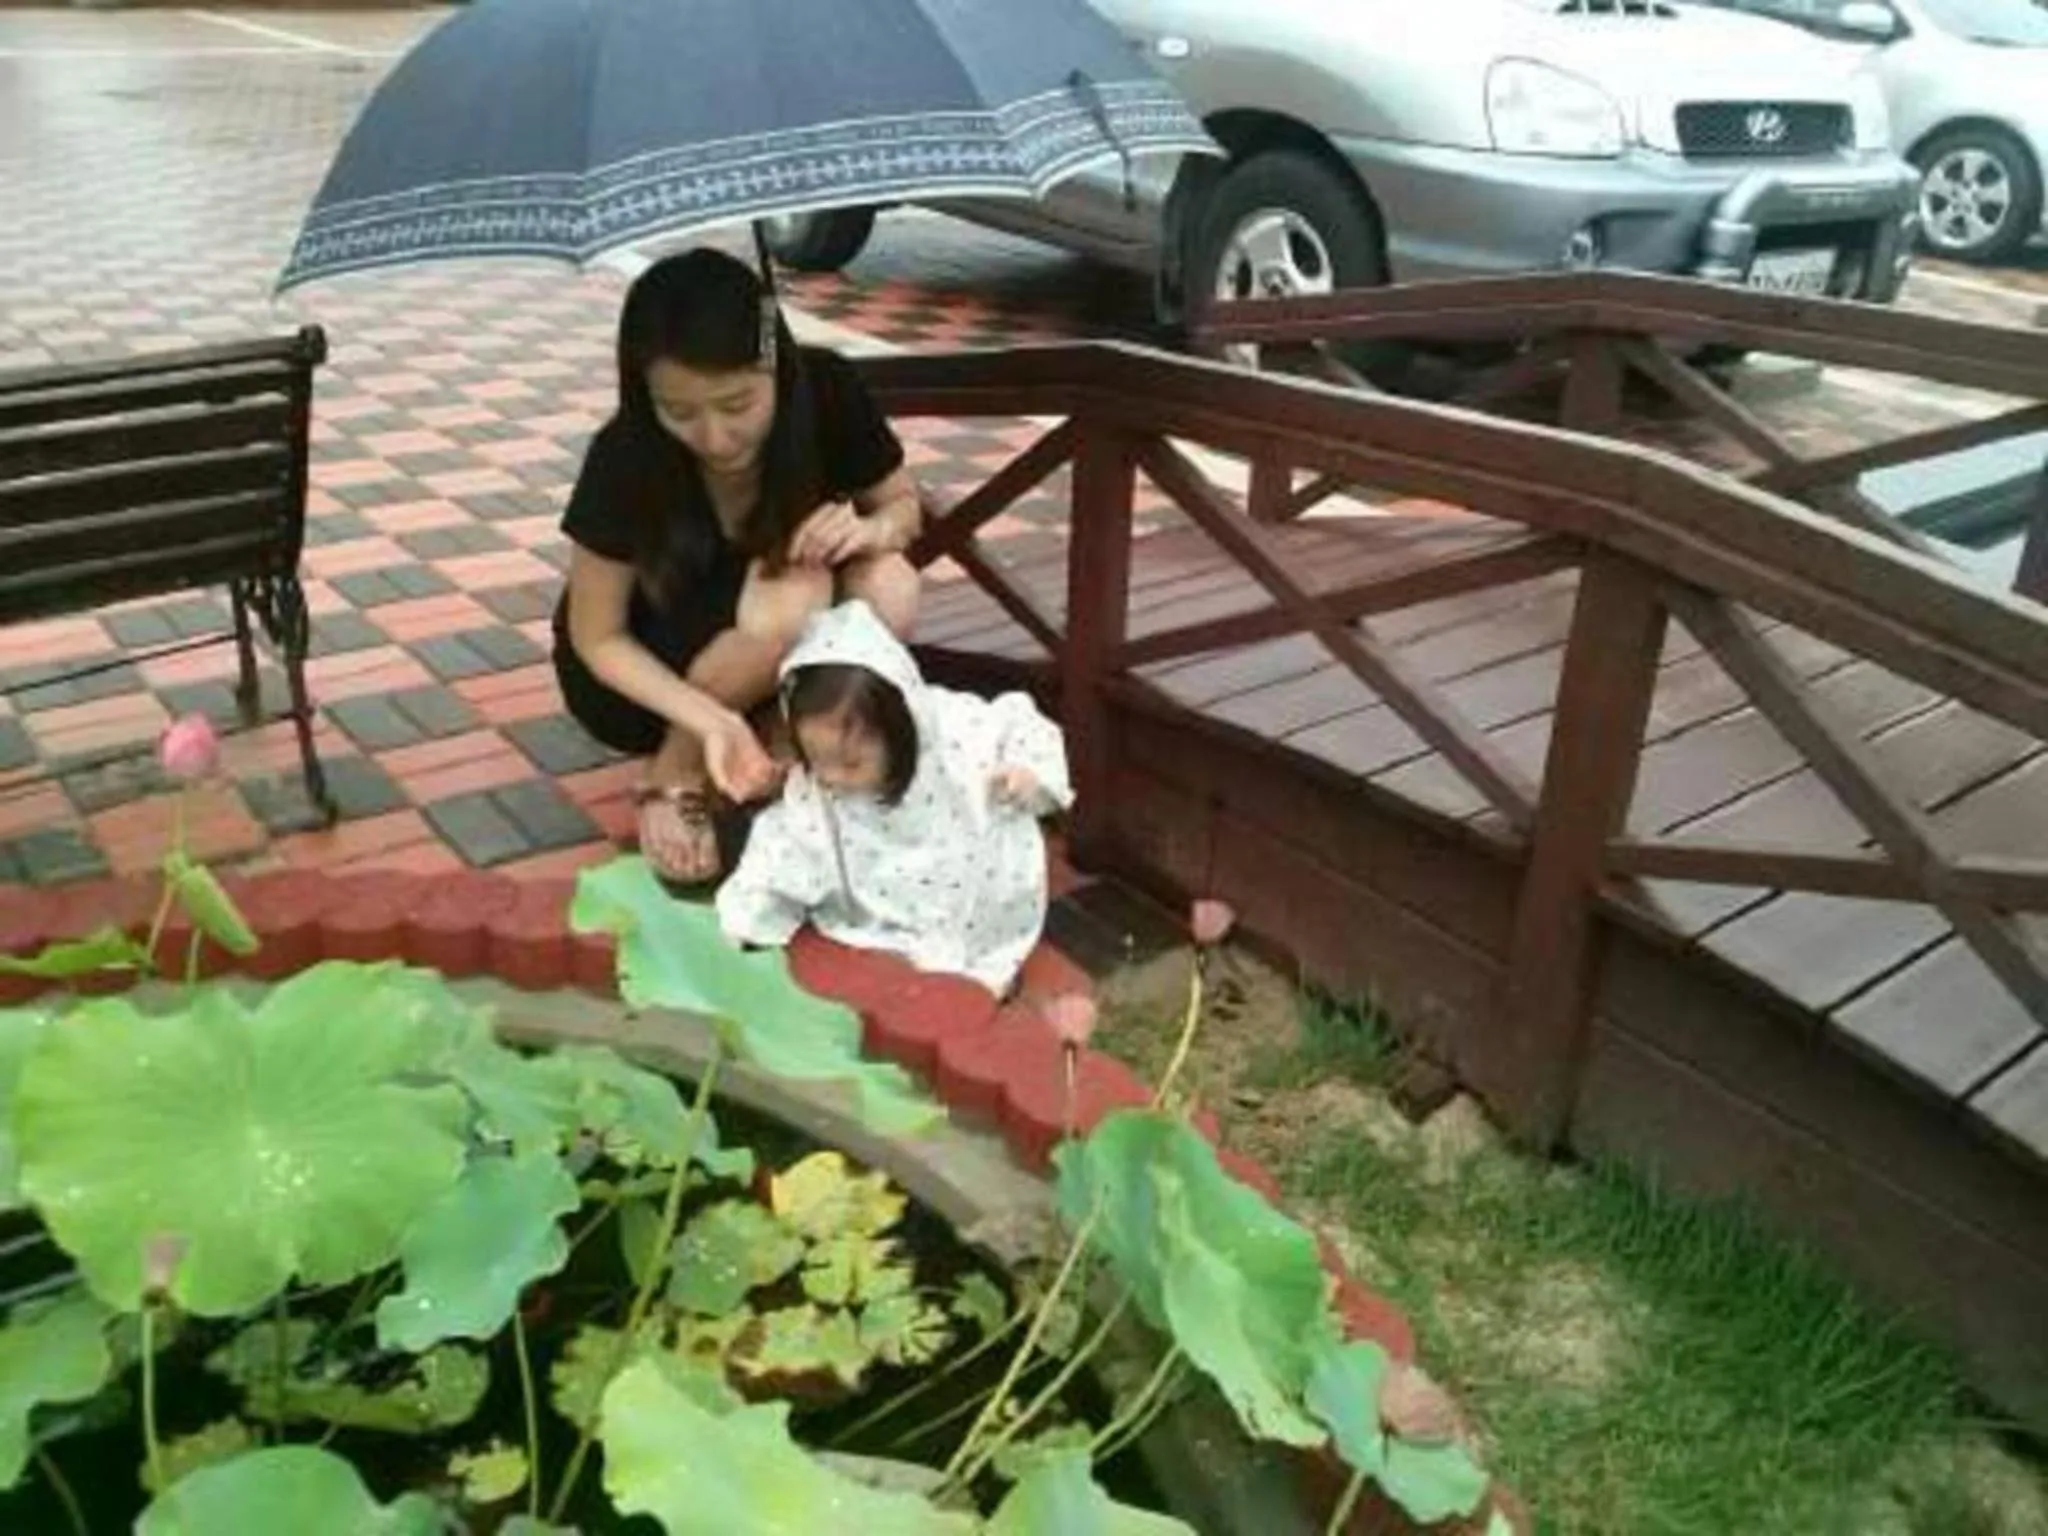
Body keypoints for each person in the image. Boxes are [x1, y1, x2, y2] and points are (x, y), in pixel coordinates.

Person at [553, 248, 921, 887]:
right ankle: (674, 770)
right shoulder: (625, 454)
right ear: (645, 394)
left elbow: (904, 508)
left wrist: (868, 530)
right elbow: (596, 637)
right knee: (793, 595)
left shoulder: (826, 390)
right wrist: (709, 721)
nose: (716, 438)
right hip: (647, 669)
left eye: (737, 404)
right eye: (681, 412)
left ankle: (787, 742)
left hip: (774, 643)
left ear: (776, 365)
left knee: (887, 578)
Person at [717, 600, 1071, 996]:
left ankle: (983, 969)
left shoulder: (953, 728)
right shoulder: (820, 795)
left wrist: (1026, 770)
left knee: (973, 965)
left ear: (900, 730)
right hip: (887, 907)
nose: (832, 778)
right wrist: (748, 924)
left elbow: (1021, 725)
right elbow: (780, 851)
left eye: (851, 764)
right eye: (817, 760)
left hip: (970, 877)